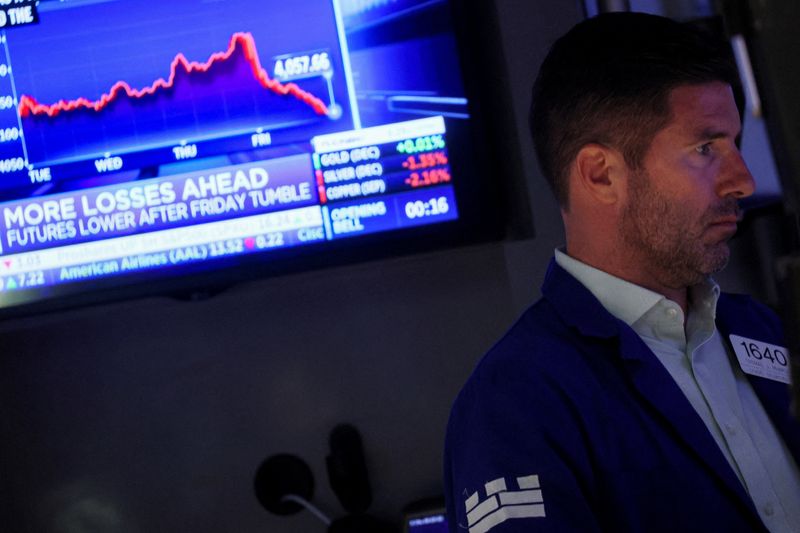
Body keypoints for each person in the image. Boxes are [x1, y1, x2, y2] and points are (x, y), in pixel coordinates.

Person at [443, 11, 800, 533]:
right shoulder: (516, 400)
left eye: (735, 145)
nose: (741, 181)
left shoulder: (762, 329)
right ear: (601, 174)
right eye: (705, 149)